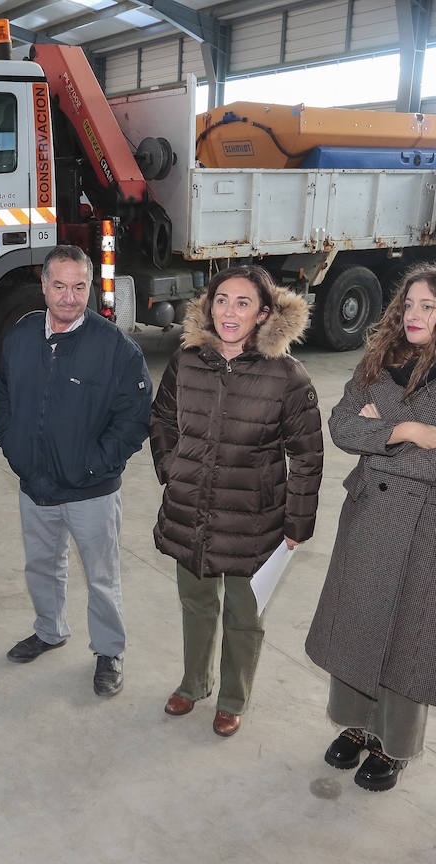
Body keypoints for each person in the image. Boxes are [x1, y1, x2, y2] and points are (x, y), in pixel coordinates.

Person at [305, 264, 436, 791]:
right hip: (370, 517)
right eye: (410, 304)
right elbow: (343, 428)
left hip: (429, 529)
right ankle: (355, 726)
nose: (414, 316)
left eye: (430, 306)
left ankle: (391, 745)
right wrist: (410, 431)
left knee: (410, 638)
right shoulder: (379, 358)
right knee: (357, 621)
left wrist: (379, 433)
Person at [150, 265, 323, 738]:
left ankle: (232, 698)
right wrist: (171, 468)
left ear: (264, 313)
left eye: (243, 303)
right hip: (190, 511)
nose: (229, 311)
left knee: (244, 617)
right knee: (197, 603)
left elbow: (307, 454)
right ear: (208, 306)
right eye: (221, 299)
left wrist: (296, 523)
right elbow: (162, 417)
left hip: (255, 520)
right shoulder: (186, 360)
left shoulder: (286, 376)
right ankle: (193, 683)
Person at [0, 245, 153, 697]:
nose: (68, 297)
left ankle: (108, 650)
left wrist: (96, 464)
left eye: (79, 286)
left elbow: (135, 416)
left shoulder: (115, 347)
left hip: (91, 490)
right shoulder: (22, 335)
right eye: (59, 286)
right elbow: (3, 394)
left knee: (101, 575)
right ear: (43, 285)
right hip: (34, 481)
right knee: (41, 565)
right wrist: (15, 449)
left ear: (90, 287)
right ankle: (49, 630)